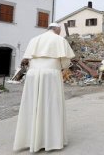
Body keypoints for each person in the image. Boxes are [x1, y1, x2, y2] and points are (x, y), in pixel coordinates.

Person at [13, 23, 75, 153]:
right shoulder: (59, 39)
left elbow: (28, 58)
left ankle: (30, 139)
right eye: (59, 30)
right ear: (57, 29)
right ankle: (49, 140)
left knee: (32, 105)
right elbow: (65, 62)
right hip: (50, 74)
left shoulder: (34, 39)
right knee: (51, 106)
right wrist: (62, 66)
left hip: (33, 74)